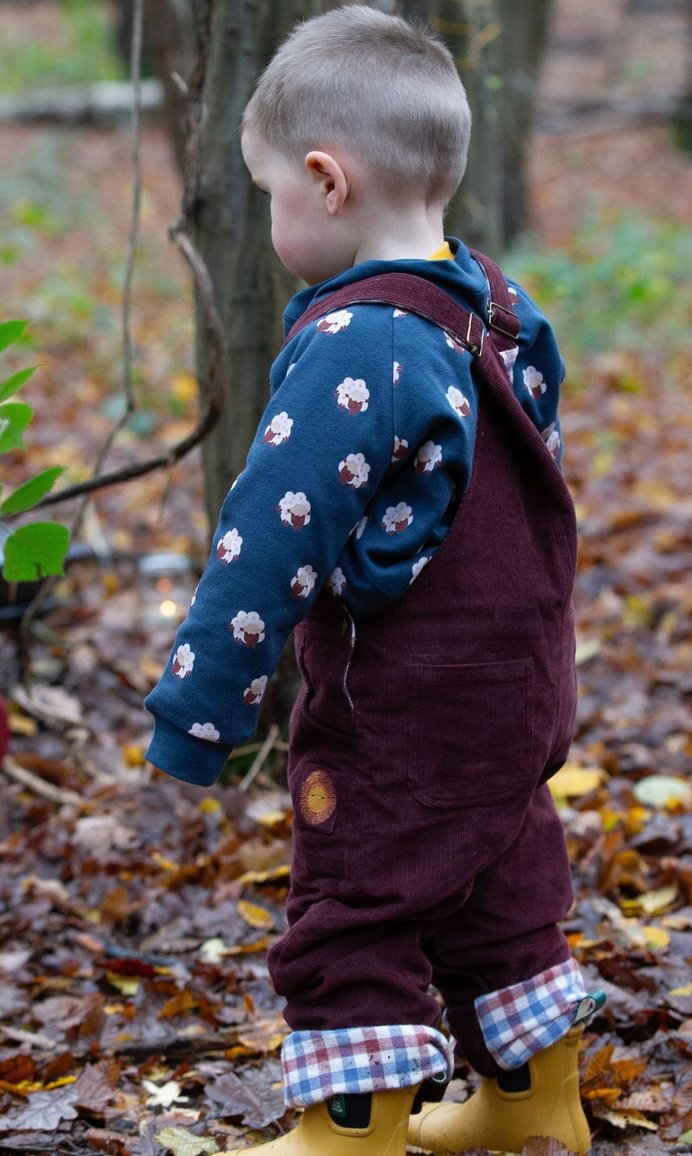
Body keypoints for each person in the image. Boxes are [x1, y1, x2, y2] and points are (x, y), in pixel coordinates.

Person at [144, 7, 602, 1154]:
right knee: (500, 884)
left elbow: (268, 536)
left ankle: (350, 1130)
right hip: (518, 690)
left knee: (356, 899)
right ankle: (531, 1104)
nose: (271, 220)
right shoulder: (493, 307)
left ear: (325, 180)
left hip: (399, 705)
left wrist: (201, 708)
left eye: (269, 195)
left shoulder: (356, 345)